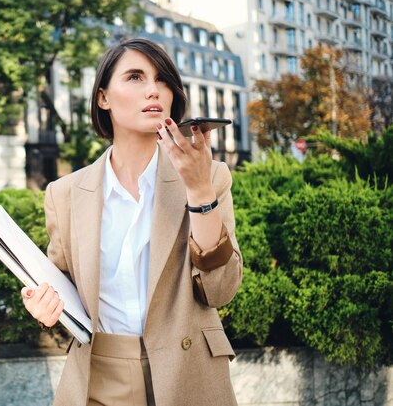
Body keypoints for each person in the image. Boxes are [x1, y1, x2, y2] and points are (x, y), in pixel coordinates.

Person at [21, 38, 243, 406]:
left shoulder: (211, 177)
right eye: (136, 77)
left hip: (188, 373)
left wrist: (200, 191)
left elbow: (220, 291)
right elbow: (61, 290)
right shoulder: (65, 194)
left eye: (163, 80)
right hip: (98, 375)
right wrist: (42, 306)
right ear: (103, 98)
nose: (153, 90)